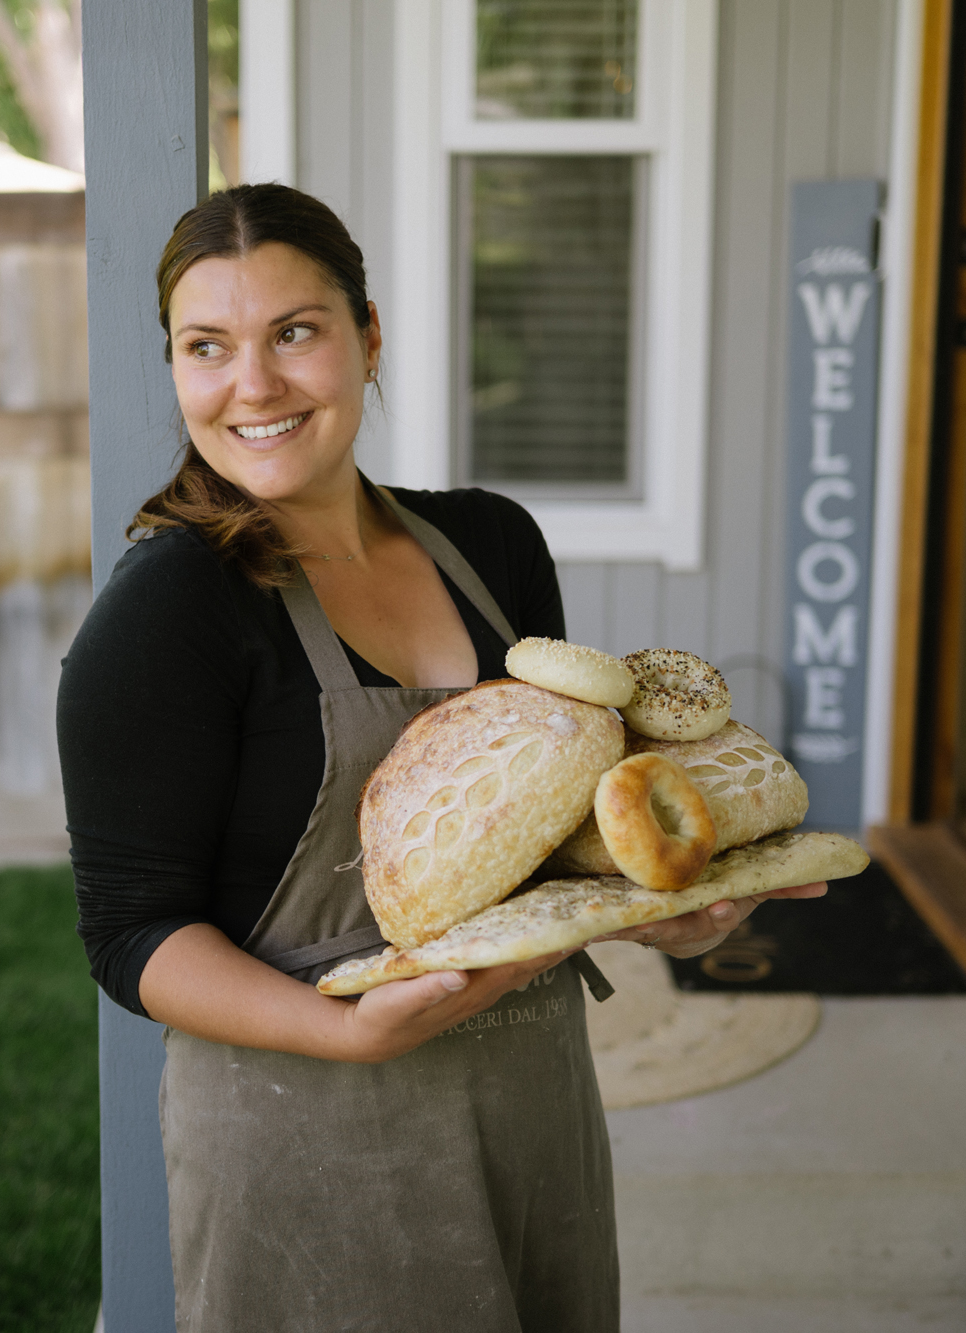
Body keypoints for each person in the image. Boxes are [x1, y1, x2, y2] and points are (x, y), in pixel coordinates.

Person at [59, 183, 826, 1332]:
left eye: (295, 333)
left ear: (368, 338)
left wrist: (651, 902)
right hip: (303, 1130)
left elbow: (549, 833)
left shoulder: (491, 543)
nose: (251, 385)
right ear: (173, 367)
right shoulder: (170, 608)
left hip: (528, 1101)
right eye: (206, 346)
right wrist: (345, 1030)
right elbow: (128, 934)